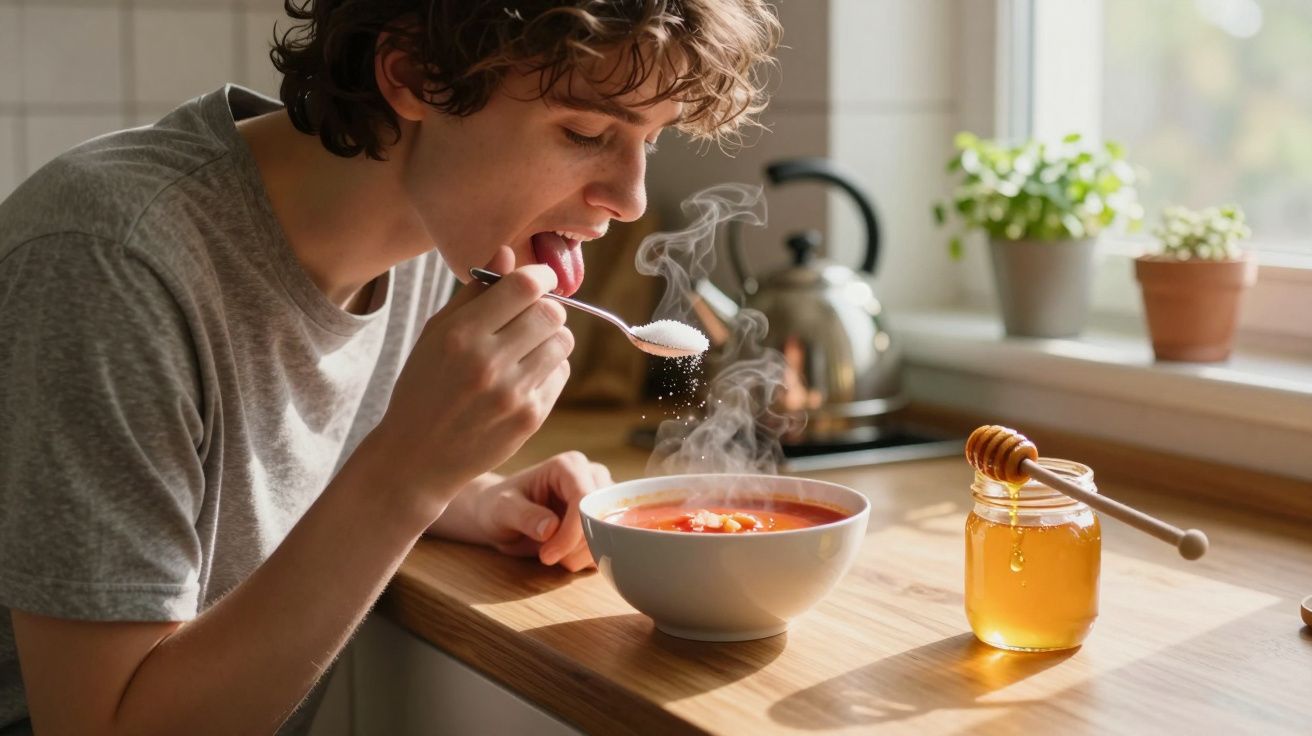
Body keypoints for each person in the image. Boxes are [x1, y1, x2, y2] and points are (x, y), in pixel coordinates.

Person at [0, 0, 779, 733]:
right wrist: (410, 468)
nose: (632, 198)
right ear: (412, 76)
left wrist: (467, 494)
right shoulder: (110, 263)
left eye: (652, 137)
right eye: (582, 131)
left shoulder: (441, 230)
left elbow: (255, 482)